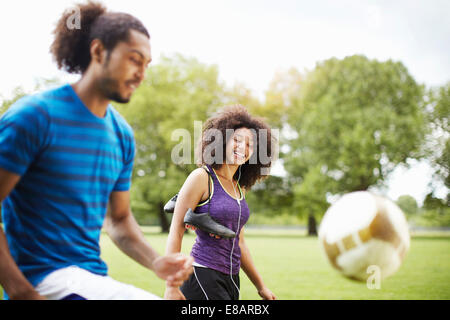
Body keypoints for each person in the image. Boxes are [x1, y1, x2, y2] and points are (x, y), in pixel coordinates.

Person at [0, 1, 193, 300]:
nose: (142, 74)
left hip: (89, 279)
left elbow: (118, 220)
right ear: (99, 52)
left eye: (146, 64)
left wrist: (157, 262)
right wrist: (20, 290)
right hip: (43, 281)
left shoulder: (122, 136)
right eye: (134, 60)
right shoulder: (35, 117)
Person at [164, 105, 277, 300]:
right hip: (202, 273)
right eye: (237, 140)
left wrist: (261, 286)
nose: (243, 148)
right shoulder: (201, 177)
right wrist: (171, 286)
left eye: (250, 145)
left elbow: (239, 243)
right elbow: (176, 230)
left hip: (232, 279)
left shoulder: (238, 188)